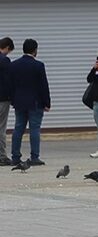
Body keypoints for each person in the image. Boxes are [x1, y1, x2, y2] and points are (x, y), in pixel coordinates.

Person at [9, 39, 50, 166]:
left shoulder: (14, 65)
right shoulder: (38, 65)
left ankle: (15, 156)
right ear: (35, 50)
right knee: (34, 129)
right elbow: (43, 85)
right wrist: (47, 102)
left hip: (19, 102)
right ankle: (34, 157)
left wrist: (13, 100)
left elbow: (11, 85)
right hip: (35, 102)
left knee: (18, 128)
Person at [0, 37, 14, 166]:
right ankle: (2, 156)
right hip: (2, 99)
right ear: (7, 47)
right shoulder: (4, 60)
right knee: (1, 127)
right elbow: (9, 80)